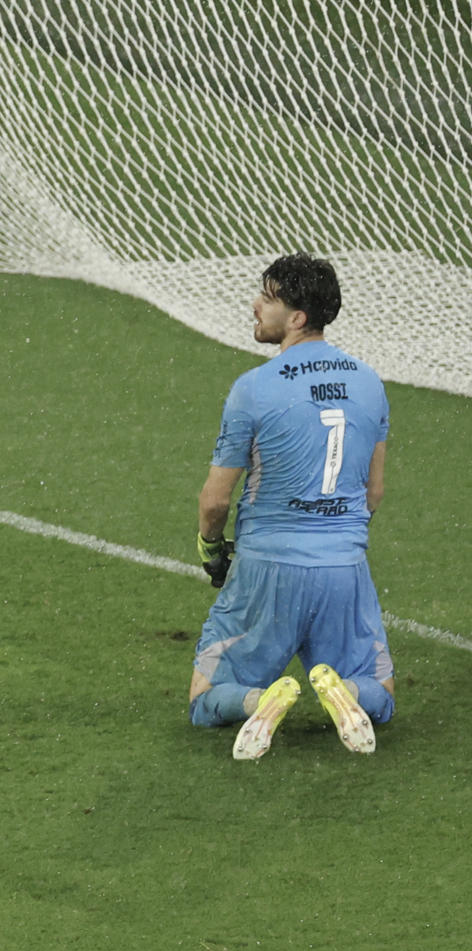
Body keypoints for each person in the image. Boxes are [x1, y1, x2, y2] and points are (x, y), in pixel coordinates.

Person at [188, 254, 394, 760]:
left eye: (269, 298)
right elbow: (373, 492)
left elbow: (215, 501)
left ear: (297, 318)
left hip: (267, 570)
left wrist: (210, 550)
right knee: (381, 695)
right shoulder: (370, 383)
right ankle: (345, 694)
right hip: (343, 569)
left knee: (204, 697)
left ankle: (260, 700)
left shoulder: (254, 389)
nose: (256, 305)